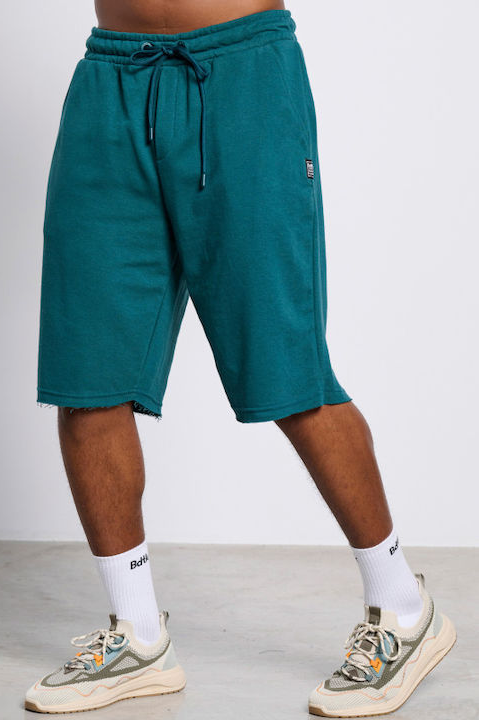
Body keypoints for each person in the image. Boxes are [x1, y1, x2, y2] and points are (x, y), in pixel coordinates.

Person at [26, 0, 456, 715]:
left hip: (244, 77)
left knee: (289, 373)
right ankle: (137, 636)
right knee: (87, 375)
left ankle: (405, 608)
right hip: (110, 83)